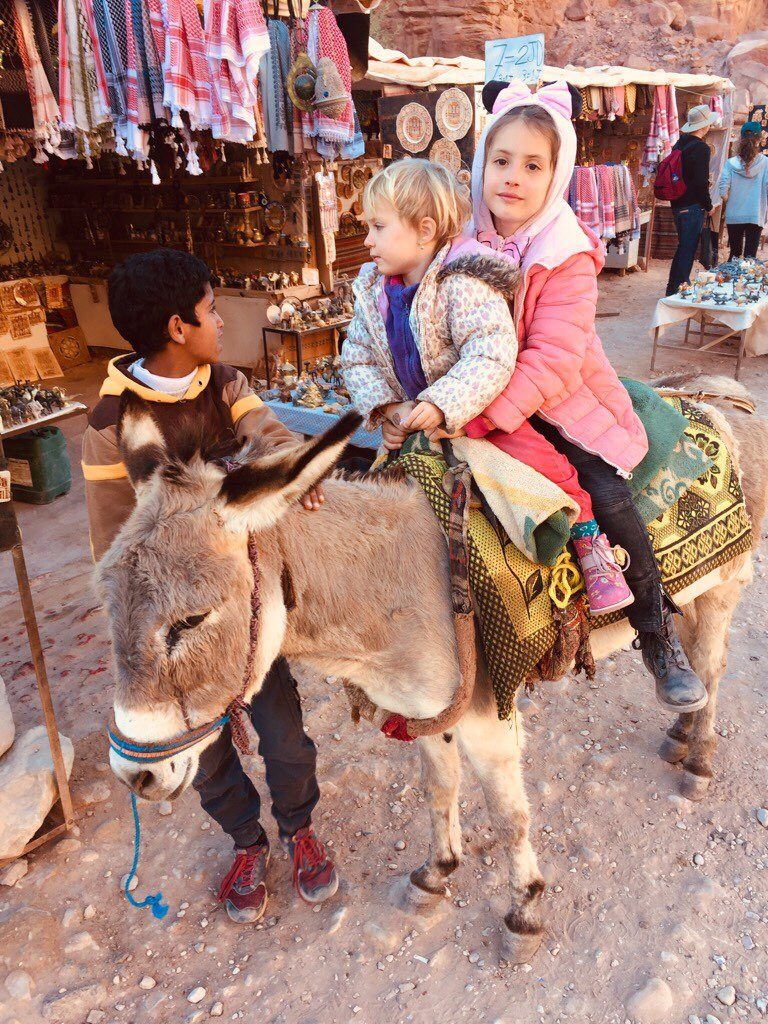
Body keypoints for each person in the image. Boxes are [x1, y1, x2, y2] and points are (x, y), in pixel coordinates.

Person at [82, 249, 338, 924]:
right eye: (210, 310)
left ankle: (299, 827)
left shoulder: (223, 382)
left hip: (245, 607)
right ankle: (247, 842)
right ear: (176, 326)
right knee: (209, 751)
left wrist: (288, 464)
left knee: (284, 734)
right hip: (175, 632)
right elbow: (114, 542)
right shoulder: (111, 428)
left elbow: (268, 431)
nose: (220, 321)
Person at [466, 78, 708, 714]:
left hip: (559, 402)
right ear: (480, 163)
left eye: (533, 165)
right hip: (479, 400)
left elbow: (553, 358)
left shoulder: (566, 253)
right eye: (500, 160)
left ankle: (656, 633)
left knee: (604, 489)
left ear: (556, 175)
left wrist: (483, 413)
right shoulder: (464, 244)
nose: (512, 177)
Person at [342, 158, 633, 616]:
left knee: (546, 466)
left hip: (474, 412)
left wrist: (443, 402)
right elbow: (356, 356)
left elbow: (492, 352)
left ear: (424, 229)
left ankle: (588, 541)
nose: (367, 240)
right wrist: (391, 408)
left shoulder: (464, 283)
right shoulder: (371, 293)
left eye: (378, 227)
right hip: (413, 420)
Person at [665, 103, 718, 296]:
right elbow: (700, 182)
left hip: (677, 203)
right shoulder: (701, 148)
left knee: (683, 247)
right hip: (692, 205)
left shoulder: (680, 144)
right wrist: (708, 205)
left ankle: (675, 286)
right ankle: (678, 289)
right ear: (704, 126)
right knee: (687, 248)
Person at [718, 121, 768, 260]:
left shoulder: (731, 163)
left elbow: (723, 189)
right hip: (755, 213)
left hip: (734, 214)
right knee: (750, 257)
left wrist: (731, 200)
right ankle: (745, 282)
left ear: (741, 139)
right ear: (759, 139)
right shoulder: (765, 163)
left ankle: (730, 281)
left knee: (734, 254)